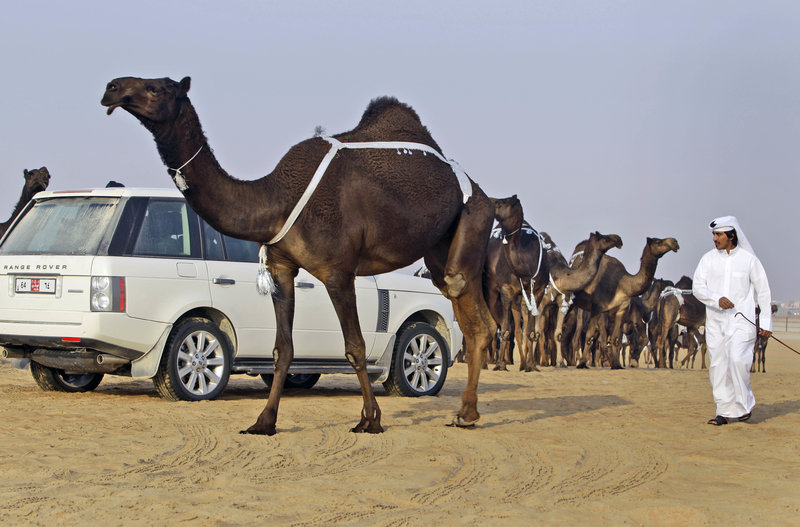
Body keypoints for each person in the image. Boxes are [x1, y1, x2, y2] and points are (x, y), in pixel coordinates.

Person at [692, 215, 772, 426]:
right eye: (714, 235)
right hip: (716, 322)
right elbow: (697, 288)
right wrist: (717, 299)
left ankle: (744, 406)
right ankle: (724, 411)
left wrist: (765, 323)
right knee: (718, 366)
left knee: (738, 360)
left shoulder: (749, 260)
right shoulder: (707, 259)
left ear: (731, 235)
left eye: (718, 234)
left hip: (741, 322)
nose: (715, 239)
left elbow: (763, 292)